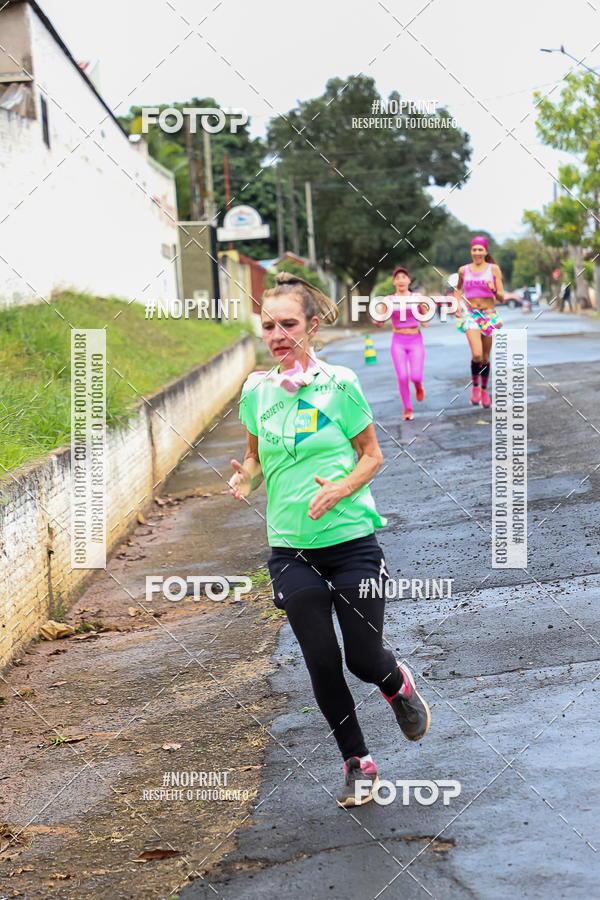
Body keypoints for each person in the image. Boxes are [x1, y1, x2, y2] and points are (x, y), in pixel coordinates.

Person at [228, 272, 431, 808]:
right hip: (290, 549)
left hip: (351, 543)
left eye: (288, 323)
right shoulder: (255, 390)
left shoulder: (340, 383)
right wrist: (246, 475)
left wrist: (340, 487)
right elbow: (252, 454)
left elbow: (372, 455)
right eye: (268, 325)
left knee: (363, 658)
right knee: (320, 657)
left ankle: (398, 685)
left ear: (312, 325)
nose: (276, 334)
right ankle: (358, 763)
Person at [373, 266, 430, 420]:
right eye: (397, 278)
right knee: (403, 376)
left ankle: (418, 386)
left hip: (415, 340)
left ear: (409, 280)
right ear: (394, 282)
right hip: (398, 341)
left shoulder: (417, 297)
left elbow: (425, 320)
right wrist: (377, 321)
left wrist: (423, 313)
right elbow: (380, 320)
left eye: (404, 277)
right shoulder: (388, 300)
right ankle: (407, 409)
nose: (401, 280)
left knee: (416, 376)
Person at [454, 236, 505, 408]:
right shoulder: (463, 270)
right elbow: (458, 289)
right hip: (470, 315)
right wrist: (457, 305)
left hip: (489, 315)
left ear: (486, 251)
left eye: (480, 249)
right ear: (471, 251)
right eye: (474, 249)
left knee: (484, 357)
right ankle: (474, 386)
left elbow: (502, 297)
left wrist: (494, 290)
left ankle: (484, 390)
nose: (477, 252)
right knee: (476, 354)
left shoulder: (494, 269)